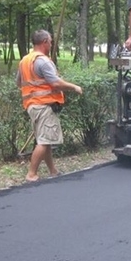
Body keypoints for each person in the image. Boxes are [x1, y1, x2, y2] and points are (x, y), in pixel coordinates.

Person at [17, 29, 83, 182]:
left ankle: (53, 170)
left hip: (32, 106)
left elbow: (19, 83)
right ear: (45, 42)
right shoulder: (43, 61)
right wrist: (74, 87)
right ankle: (31, 173)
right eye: (51, 42)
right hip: (44, 106)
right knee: (45, 141)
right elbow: (55, 83)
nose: (52, 44)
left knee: (45, 139)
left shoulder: (25, 61)